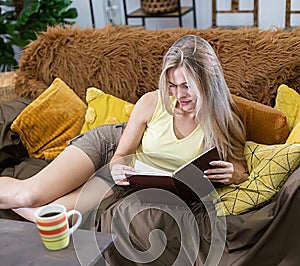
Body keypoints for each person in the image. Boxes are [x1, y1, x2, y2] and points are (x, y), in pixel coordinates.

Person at [0, 35, 248, 222]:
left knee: (52, 217)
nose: (178, 95)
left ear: (207, 81)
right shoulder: (153, 102)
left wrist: (231, 174)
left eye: (187, 86)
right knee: (29, 195)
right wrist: (118, 167)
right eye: (172, 85)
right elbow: (120, 155)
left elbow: (240, 170)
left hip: (130, 179)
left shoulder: (222, 118)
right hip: (109, 145)